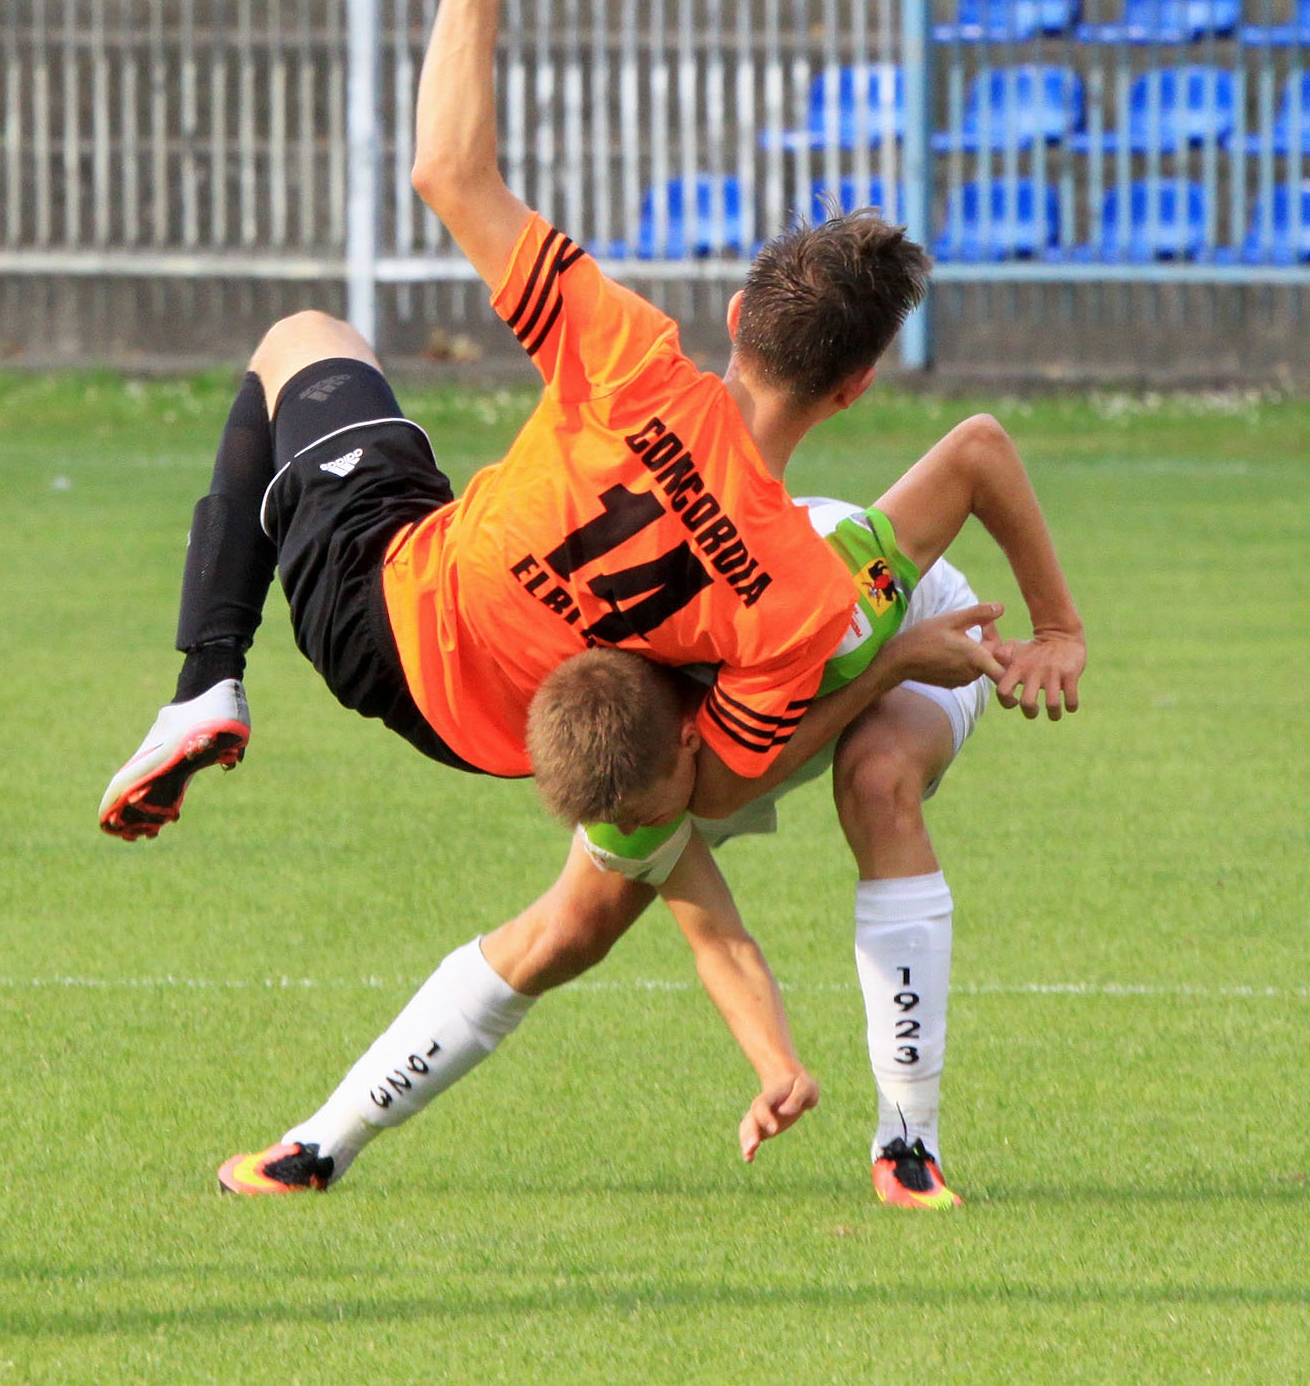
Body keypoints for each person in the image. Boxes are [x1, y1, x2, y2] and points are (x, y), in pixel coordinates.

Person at [98, 0, 989, 853]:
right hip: (512, 742)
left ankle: (205, 678)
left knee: (303, 336)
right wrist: (887, 662)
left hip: (382, 613)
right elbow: (719, 786)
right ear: (854, 388)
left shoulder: (633, 359)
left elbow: (445, 170)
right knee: (425, 471)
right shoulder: (798, 600)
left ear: (737, 321)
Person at [218, 416, 1087, 1210]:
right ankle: (323, 1141)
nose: (666, 832)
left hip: (910, 625)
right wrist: (775, 1062)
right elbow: (718, 935)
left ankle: (908, 1141)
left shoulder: (836, 599)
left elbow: (976, 448)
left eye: (663, 810)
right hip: (857, 668)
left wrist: (1043, 632)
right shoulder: (635, 765)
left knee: (875, 775)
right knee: (565, 933)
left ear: (684, 738)